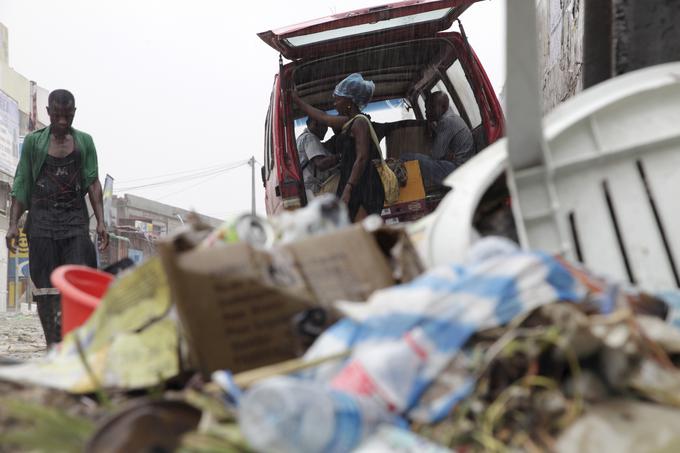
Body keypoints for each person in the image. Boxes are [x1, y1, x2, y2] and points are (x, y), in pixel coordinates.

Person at [7, 89, 109, 347]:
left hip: (74, 221)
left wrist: (101, 223)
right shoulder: (33, 143)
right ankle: (54, 344)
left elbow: (93, 183)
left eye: (68, 116)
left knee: (81, 278)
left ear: (74, 113)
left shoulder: (85, 142)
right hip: (41, 222)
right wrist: (12, 225)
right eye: (58, 116)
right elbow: (22, 183)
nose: (63, 121)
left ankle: (77, 342)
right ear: (49, 113)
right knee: (46, 287)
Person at [292, 73, 384, 221]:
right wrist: (297, 100)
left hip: (363, 185)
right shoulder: (349, 122)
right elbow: (322, 116)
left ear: (349, 101)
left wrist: (348, 188)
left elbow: (362, 158)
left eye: (338, 99)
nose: (335, 104)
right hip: (353, 184)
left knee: (362, 233)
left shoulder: (359, 123)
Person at [402, 91, 475, 187]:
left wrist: (444, 156)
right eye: (426, 108)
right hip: (462, 168)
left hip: (457, 170)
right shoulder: (451, 118)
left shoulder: (447, 122)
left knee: (406, 157)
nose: (427, 111)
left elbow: (436, 155)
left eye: (431, 107)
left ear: (444, 107)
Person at [297, 117, 340, 199]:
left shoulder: (302, 138)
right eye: (325, 126)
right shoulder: (309, 138)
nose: (326, 130)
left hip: (308, 192)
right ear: (315, 124)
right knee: (348, 178)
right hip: (315, 191)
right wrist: (340, 157)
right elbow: (321, 164)